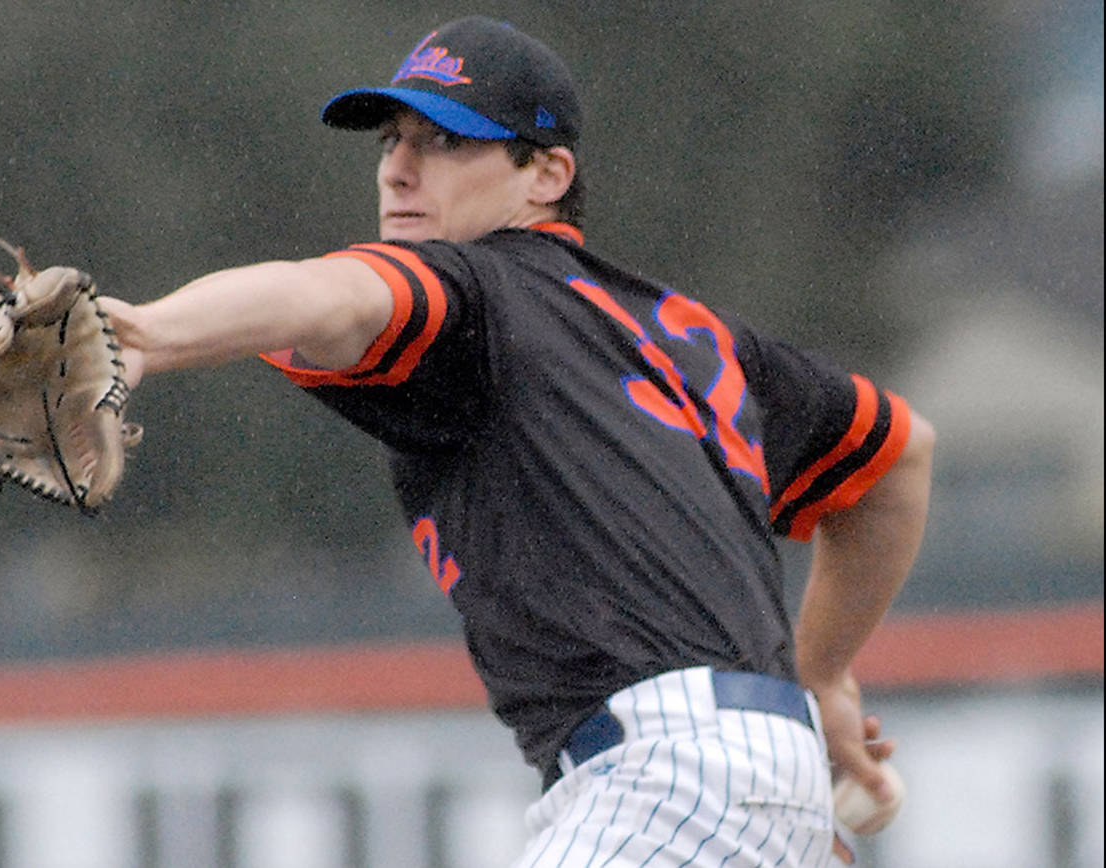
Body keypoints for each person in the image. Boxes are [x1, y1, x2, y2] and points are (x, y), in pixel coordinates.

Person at [100, 16, 934, 867]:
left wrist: (141, 335)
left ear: (546, 174)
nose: (398, 167)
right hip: (752, 777)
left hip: (663, 783)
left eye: (445, 140)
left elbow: (326, 296)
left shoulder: (478, 290)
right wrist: (819, 672)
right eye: (392, 139)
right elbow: (899, 456)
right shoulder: (691, 332)